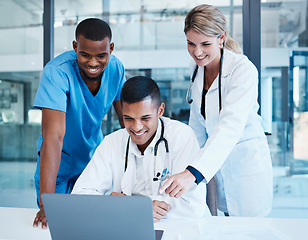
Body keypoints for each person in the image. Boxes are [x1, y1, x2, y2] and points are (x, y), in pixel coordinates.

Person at [159, 4, 273, 217]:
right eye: (190, 44)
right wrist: (181, 165)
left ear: (222, 37)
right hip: (215, 167)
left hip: (245, 168)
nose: (197, 52)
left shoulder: (243, 70)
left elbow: (230, 127)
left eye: (205, 44)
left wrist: (192, 173)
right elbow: (196, 128)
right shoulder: (196, 70)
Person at [71, 76, 211, 222]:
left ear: (160, 110)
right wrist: (136, 208)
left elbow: (191, 206)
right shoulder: (112, 143)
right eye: (129, 118)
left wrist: (129, 205)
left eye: (145, 118)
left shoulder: (181, 137)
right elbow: (80, 197)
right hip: (130, 230)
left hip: (182, 230)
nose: (137, 127)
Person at [33, 18, 126, 229]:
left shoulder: (116, 69)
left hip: (92, 164)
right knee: (55, 226)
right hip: (58, 165)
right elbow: (53, 137)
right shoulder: (57, 72)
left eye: (101, 55)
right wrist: (47, 201)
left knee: (91, 226)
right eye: (85, 54)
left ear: (111, 48)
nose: (93, 63)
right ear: (75, 47)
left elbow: (126, 124)